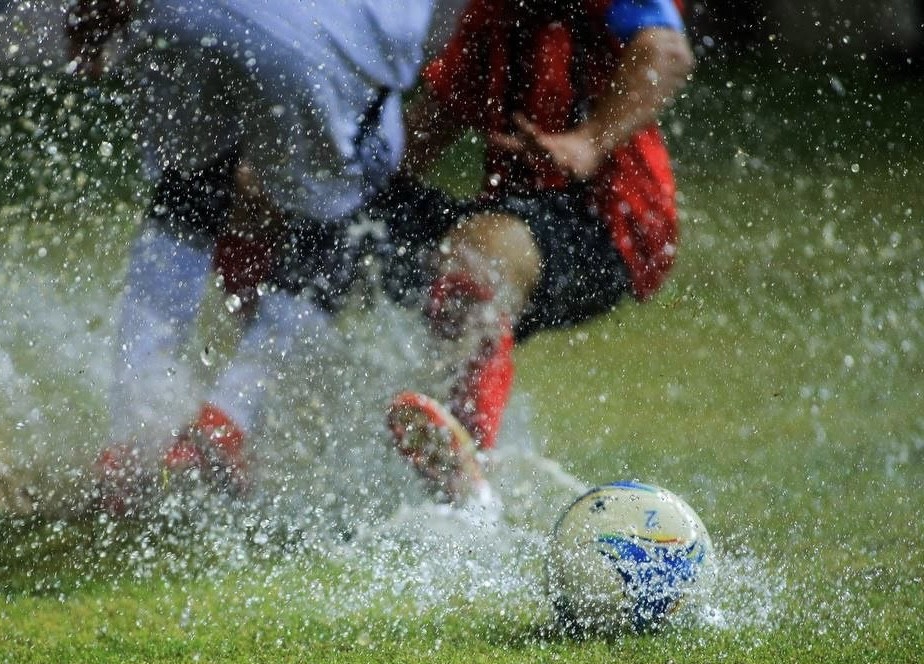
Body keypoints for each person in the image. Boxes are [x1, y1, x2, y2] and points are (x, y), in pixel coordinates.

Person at [65, 0, 467, 517]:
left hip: (184, 17)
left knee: (184, 195)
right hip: (328, 37)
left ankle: (129, 447)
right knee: (346, 215)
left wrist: (97, 16)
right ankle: (227, 419)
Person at [385, 0, 696, 503]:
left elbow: (667, 52)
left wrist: (589, 141)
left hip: (610, 223)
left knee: (477, 255)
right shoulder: (490, 14)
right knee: (339, 222)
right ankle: (238, 422)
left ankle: (467, 482)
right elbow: (435, 119)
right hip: (511, 214)